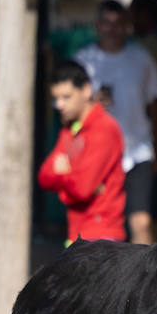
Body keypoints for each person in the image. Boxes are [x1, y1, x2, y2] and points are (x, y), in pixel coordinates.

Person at [74, 0, 157, 245]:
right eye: (106, 23)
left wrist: (156, 149)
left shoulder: (142, 59)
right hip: (97, 154)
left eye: (118, 23)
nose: (112, 29)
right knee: (97, 225)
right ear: (97, 26)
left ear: (127, 26)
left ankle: (142, 282)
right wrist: (90, 106)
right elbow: (67, 110)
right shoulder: (83, 61)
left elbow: (155, 105)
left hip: (137, 152)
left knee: (141, 224)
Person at [37, 60, 126, 244]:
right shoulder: (70, 129)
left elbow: (82, 189)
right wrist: (73, 180)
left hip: (102, 238)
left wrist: (65, 176)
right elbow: (44, 176)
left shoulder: (104, 128)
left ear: (86, 90)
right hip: (77, 235)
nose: (59, 104)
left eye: (66, 97)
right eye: (56, 98)